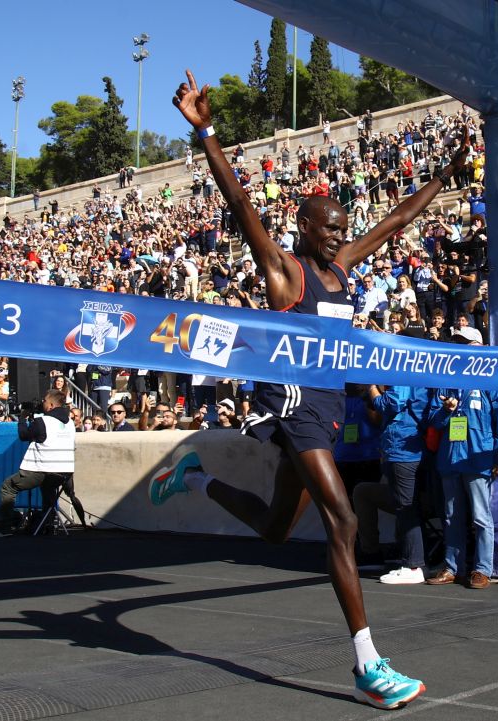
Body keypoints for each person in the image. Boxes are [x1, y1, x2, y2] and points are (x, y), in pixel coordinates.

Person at [150, 70, 469, 710]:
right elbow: (240, 204)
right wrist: (206, 132)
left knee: (274, 528)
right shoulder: (285, 271)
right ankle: (368, 664)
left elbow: (399, 219)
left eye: (341, 226)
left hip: (328, 411)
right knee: (343, 519)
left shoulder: (342, 268)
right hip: (292, 408)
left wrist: (444, 175)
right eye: (327, 227)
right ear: (303, 226)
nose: (337, 234)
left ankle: (195, 478)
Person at [426, 379, 498, 590]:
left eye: (475, 343)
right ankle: (452, 568)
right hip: (450, 459)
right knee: (451, 517)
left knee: (480, 517)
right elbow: (432, 419)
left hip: (477, 459)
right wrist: (446, 411)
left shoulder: (493, 383)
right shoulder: (446, 382)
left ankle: (483, 570)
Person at [352, 383, 434, 585]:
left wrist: (371, 387)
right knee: (401, 504)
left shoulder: (404, 376)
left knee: (406, 508)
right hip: (400, 448)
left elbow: (390, 404)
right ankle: (403, 560)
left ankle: (413, 565)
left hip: (404, 450)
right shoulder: (411, 376)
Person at [0, 389, 81, 533]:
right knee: (48, 490)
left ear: (51, 405)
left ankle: (4, 527)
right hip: (64, 474)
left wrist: (22, 419)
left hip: (42, 470)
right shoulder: (70, 423)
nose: (42, 403)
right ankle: (47, 525)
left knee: (7, 487)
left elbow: (24, 435)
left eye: (44, 401)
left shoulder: (43, 421)